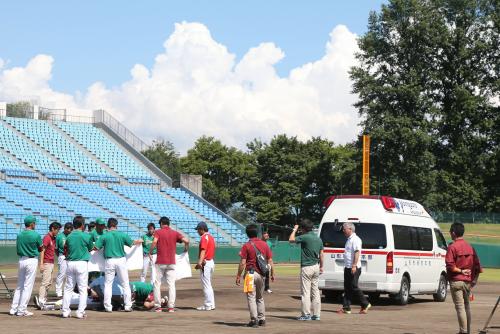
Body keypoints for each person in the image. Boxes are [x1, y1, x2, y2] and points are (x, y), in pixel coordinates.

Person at [95, 217, 140, 313]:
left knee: (108, 284)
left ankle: (108, 307)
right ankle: (127, 306)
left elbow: (96, 248)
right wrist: (139, 241)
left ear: (108, 225)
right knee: (125, 284)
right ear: (116, 225)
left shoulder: (104, 236)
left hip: (109, 260)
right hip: (121, 260)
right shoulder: (122, 234)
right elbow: (132, 243)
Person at [446, 222, 482, 334]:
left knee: (460, 307)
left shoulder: (452, 247)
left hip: (456, 281)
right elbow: (478, 266)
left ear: (453, 233)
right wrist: (475, 279)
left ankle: (463, 331)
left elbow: (450, 266)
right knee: (467, 306)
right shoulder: (470, 247)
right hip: (467, 282)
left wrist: (460, 271)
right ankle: (467, 331)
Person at [236, 224, 275, 328]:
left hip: (250, 274)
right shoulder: (265, 244)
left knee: (251, 297)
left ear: (247, 234)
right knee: (260, 297)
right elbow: (270, 260)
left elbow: (243, 263)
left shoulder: (246, 245)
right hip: (262, 274)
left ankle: (254, 320)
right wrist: (272, 273)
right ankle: (262, 319)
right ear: (257, 233)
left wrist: (238, 275)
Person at [148, 216, 190, 313]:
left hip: (160, 261)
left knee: (157, 284)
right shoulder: (174, 233)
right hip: (171, 262)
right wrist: (185, 249)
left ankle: (158, 306)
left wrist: (150, 252)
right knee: (171, 284)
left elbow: (154, 242)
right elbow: (186, 241)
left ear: (161, 223)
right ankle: (171, 307)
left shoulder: (158, 232)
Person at [289, 219, 324, 321]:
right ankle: (316, 314)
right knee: (315, 292)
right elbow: (321, 254)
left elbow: (291, 239)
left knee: (305, 292)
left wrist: (294, 230)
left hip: (307, 267)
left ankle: (306, 314)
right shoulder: (318, 239)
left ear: (303, 228)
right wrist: (322, 266)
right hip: (316, 267)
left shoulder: (304, 237)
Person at [9, 216, 43, 317]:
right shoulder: (36, 234)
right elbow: (41, 248)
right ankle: (22, 310)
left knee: (20, 286)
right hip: (31, 260)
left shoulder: (19, 234)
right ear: (31, 224)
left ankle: (13, 308)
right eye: (34, 223)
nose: (35, 224)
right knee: (27, 286)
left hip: (22, 260)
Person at [62, 215, 93, 319]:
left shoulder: (69, 236)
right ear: (82, 225)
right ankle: (80, 312)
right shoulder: (86, 236)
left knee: (68, 288)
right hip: (81, 263)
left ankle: (65, 311)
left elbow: (65, 248)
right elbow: (90, 248)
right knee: (83, 289)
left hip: (70, 263)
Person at [338, 222, 371, 314]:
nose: (343, 231)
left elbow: (357, 253)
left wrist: (354, 266)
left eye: (344, 229)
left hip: (354, 267)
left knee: (353, 286)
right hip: (347, 267)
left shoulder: (355, 239)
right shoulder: (349, 239)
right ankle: (346, 307)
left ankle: (365, 303)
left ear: (350, 229)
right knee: (347, 287)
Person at [37, 222, 61, 307]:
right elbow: (42, 250)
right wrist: (41, 263)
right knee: (45, 282)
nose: (58, 231)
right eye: (57, 230)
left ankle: (43, 298)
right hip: (47, 262)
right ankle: (41, 299)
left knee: (49, 282)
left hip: (51, 262)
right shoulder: (47, 238)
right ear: (53, 229)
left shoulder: (53, 238)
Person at [194, 221, 216, 311]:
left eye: (198, 229)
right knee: (208, 285)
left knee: (206, 285)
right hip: (211, 262)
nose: (197, 231)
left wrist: (199, 262)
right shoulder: (211, 237)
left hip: (205, 263)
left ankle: (207, 305)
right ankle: (211, 304)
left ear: (202, 229)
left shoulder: (204, 238)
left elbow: (203, 250)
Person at [55, 223, 73, 297]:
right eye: (67, 229)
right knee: (61, 274)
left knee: (70, 275)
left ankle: (67, 291)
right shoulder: (59, 236)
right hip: (62, 256)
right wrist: (59, 256)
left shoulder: (71, 236)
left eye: (70, 229)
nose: (69, 230)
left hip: (70, 257)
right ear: (64, 228)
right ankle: (58, 291)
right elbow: (56, 248)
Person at [88, 218, 106, 283]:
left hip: (103, 255)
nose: (102, 226)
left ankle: (101, 284)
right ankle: (90, 284)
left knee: (103, 271)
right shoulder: (92, 233)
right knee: (93, 271)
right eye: (101, 225)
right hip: (95, 257)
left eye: (103, 225)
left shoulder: (105, 232)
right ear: (96, 225)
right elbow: (89, 244)